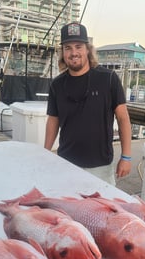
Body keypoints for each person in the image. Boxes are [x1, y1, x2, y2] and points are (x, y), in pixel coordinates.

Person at [44, 22, 132, 185]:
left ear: (87, 50)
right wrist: (45, 153)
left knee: (103, 209)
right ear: (62, 52)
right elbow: (53, 120)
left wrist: (126, 156)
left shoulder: (109, 78)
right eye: (68, 48)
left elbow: (123, 119)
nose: (74, 53)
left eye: (78, 46)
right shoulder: (56, 85)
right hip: (66, 163)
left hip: (101, 167)